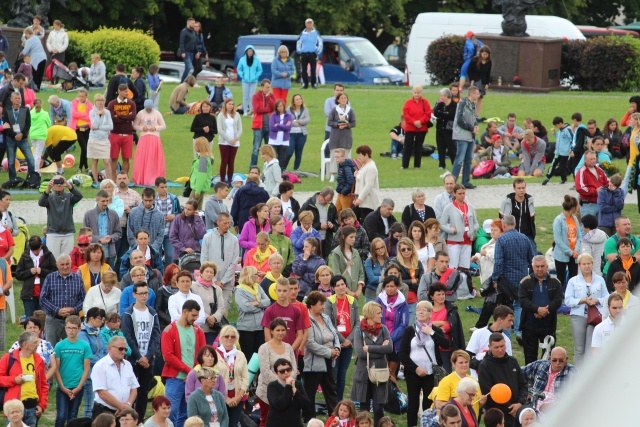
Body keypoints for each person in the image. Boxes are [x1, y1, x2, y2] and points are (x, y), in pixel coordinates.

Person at [398, 300, 448, 427]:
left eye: (424, 310)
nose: (420, 312)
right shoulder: (410, 330)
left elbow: (446, 344)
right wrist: (415, 368)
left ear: (430, 313)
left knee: (428, 403)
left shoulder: (435, 330)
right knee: (413, 404)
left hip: (431, 373)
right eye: (418, 309)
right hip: (413, 372)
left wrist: (431, 333)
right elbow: (402, 354)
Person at [162, 299, 206, 427]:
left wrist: (194, 372)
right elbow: (168, 356)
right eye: (193, 315)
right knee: (171, 412)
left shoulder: (198, 330)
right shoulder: (169, 330)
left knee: (188, 414)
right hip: (175, 378)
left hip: (192, 379)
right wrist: (189, 371)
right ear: (184, 312)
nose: (195, 319)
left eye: (197, 315)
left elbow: (203, 354)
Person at [121, 281, 161, 419]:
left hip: (148, 359)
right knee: (130, 391)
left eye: (146, 293)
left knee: (143, 391)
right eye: (141, 293)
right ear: (134, 294)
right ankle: (128, 418)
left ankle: (140, 419)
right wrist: (139, 356)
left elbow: (156, 335)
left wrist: (148, 356)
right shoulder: (128, 313)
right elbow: (127, 336)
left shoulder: (152, 312)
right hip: (133, 358)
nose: (144, 296)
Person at [492, 214, 535, 339]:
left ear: (504, 225)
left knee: (505, 307)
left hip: (506, 279)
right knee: (519, 305)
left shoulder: (501, 240)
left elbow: (498, 262)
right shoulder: (525, 238)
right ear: (515, 224)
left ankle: (506, 335)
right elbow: (531, 259)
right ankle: (518, 331)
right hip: (522, 277)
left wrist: (495, 278)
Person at [351, 301, 392, 427]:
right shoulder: (359, 331)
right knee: (364, 409)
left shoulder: (383, 329)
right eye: (378, 313)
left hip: (380, 372)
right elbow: (360, 353)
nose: (381, 315)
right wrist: (380, 349)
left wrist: (369, 348)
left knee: (379, 407)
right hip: (363, 373)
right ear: (370, 314)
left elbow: (389, 348)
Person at [565, 253, 609, 366]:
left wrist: (596, 300)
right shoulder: (573, 281)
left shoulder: (600, 280)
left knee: (591, 348)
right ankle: (578, 374)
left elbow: (607, 298)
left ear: (592, 264)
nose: (586, 266)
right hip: (578, 316)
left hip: (595, 317)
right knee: (579, 349)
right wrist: (583, 300)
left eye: (588, 263)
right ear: (579, 265)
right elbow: (568, 300)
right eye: (584, 264)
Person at [518, 255, 564, 364]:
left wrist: (546, 311)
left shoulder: (555, 282)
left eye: (542, 266)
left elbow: (558, 300)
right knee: (530, 356)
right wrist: (537, 309)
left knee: (548, 354)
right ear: (532, 267)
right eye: (537, 266)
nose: (540, 269)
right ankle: (529, 379)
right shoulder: (525, 282)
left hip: (548, 324)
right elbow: (522, 300)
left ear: (547, 266)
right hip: (529, 324)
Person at [303, 291, 341, 420]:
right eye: (321, 304)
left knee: (331, 390)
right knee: (310, 392)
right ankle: (310, 419)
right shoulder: (307, 320)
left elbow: (334, 334)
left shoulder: (326, 317)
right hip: (314, 362)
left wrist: (337, 348)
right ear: (312, 305)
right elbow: (310, 343)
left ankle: (335, 418)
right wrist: (329, 352)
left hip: (329, 360)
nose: (323, 307)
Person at [478, 333, 527, 427]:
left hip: (518, 410)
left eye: (502, 346)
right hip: (498, 415)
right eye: (496, 347)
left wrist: (519, 403)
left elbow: (523, 384)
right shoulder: (484, 366)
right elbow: (489, 393)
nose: (500, 350)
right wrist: (511, 409)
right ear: (489, 347)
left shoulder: (513, 361)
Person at [0, 332, 48, 427]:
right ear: (25, 344)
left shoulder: (39, 360)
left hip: (32, 407)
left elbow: (43, 385)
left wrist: (41, 405)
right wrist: (14, 380)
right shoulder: (9, 358)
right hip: (14, 408)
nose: (38, 345)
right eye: (34, 342)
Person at [257, 318, 298, 426]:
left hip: (287, 390)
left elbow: (294, 368)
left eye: (283, 330)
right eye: (278, 330)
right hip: (267, 391)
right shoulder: (264, 348)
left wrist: (288, 382)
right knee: (266, 421)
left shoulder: (289, 347)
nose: (281, 333)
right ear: (271, 331)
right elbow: (265, 371)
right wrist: (282, 383)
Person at [54, 315, 92, 427]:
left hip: (77, 385)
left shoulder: (85, 346)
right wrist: (62, 387)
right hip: (62, 386)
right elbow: (56, 368)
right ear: (65, 328)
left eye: (74, 328)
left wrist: (79, 386)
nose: (71, 330)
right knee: (61, 416)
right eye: (69, 328)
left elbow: (86, 368)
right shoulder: (59, 345)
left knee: (73, 415)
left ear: (79, 329)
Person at [40, 255, 85, 346]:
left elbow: (84, 299)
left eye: (67, 264)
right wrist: (57, 310)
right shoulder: (50, 278)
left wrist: (74, 309)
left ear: (71, 263)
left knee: (71, 347)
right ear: (57, 265)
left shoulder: (78, 279)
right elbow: (43, 298)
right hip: (53, 319)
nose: (65, 267)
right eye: (62, 264)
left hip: (72, 320)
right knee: (50, 348)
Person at [201, 213, 239, 312]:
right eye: (225, 223)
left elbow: (234, 262)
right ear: (218, 222)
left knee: (223, 311)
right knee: (209, 311)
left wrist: (222, 281)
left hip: (226, 283)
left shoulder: (234, 239)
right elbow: (204, 260)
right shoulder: (207, 237)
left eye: (229, 223)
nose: (227, 226)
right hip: (209, 281)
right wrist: (213, 280)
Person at [522, 347, 576, 413]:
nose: (558, 363)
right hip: (532, 408)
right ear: (550, 359)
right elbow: (518, 373)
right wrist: (526, 392)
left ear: (566, 359)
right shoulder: (540, 365)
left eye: (561, 360)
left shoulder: (572, 373)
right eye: (554, 360)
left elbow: (576, 397)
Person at [215, 325, 249, 427]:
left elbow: (245, 377)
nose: (230, 338)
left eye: (233, 336)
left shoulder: (241, 355)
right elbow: (213, 379)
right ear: (221, 337)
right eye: (227, 336)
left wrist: (238, 397)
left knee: (233, 424)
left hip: (238, 397)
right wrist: (226, 398)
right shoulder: (214, 354)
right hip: (220, 397)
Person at [235, 266, 271, 360]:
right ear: (250, 276)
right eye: (256, 274)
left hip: (260, 327)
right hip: (245, 328)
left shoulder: (258, 287)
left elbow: (268, 301)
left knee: (259, 356)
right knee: (248, 356)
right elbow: (246, 307)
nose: (258, 276)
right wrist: (261, 307)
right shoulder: (239, 290)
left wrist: (257, 303)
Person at [440, 184, 478, 269]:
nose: (462, 196)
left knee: (465, 267)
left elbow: (476, 223)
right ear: (454, 194)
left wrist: (472, 230)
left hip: (467, 240)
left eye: (463, 193)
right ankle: (453, 281)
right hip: (454, 241)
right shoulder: (449, 207)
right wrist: (451, 230)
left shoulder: (469, 206)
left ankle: (464, 281)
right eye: (459, 193)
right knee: (453, 266)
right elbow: (441, 224)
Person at [428, 282, 465, 371]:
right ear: (432, 296)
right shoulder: (427, 308)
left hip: (446, 348)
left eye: (443, 294)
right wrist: (441, 322)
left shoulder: (450, 309)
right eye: (438, 294)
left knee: (445, 372)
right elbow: (424, 325)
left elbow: (451, 326)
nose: (441, 296)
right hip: (430, 347)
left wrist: (433, 326)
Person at [15, 236, 56, 317]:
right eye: (33, 250)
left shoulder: (48, 255)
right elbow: (18, 274)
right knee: (30, 319)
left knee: (44, 319)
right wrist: (29, 272)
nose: (36, 252)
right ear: (30, 247)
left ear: (41, 245)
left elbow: (55, 272)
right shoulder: (25, 256)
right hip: (29, 294)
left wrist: (43, 271)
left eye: (37, 250)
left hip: (45, 295)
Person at [266, 358, 312, 427]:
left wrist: (295, 391)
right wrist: (287, 387)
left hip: (295, 423)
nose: (286, 373)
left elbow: (307, 405)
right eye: (282, 371)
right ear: (276, 373)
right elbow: (279, 405)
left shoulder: (298, 384)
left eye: (288, 369)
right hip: (277, 423)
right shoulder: (272, 386)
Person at [434, 350, 482, 417]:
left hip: (473, 419)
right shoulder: (446, 381)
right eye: (461, 363)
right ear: (453, 364)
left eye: (466, 362)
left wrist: (482, 402)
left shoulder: (473, 380)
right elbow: (439, 404)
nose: (464, 365)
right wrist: (459, 404)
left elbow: (476, 403)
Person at [466, 305, 514, 370]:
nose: (512, 323)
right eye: (509, 320)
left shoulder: (506, 340)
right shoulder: (478, 333)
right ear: (500, 319)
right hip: (477, 378)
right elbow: (467, 358)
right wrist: (485, 366)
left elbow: (508, 363)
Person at [3, 92, 36, 184]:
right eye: (16, 98)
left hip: (23, 139)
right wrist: (14, 135)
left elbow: (28, 124)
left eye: (19, 98)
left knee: (30, 160)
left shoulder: (25, 110)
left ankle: (31, 179)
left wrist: (22, 134)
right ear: (11, 99)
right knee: (11, 161)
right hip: (11, 139)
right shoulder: (7, 111)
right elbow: (6, 126)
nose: (17, 100)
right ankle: (13, 180)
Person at [451, 86, 480, 190]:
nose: (478, 95)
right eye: (477, 93)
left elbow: (474, 117)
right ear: (472, 94)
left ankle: (466, 181)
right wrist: (471, 128)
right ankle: (452, 182)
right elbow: (459, 120)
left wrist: (476, 125)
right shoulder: (462, 103)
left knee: (468, 159)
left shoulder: (473, 105)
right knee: (459, 159)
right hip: (462, 135)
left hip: (471, 136)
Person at [132, 99, 166, 186]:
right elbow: (135, 125)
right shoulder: (140, 114)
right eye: (147, 109)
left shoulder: (157, 113)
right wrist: (142, 128)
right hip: (144, 138)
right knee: (143, 158)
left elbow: (163, 126)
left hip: (154, 138)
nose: (148, 110)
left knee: (153, 158)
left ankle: (155, 178)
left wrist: (155, 128)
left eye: (149, 108)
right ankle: (141, 177)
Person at [553, 195, 583, 290]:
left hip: (574, 254)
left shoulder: (574, 219)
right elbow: (558, 240)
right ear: (573, 207)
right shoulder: (558, 220)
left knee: (573, 277)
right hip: (562, 254)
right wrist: (570, 252)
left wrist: (576, 250)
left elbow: (579, 235)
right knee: (560, 278)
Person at [299, 187, 339, 257]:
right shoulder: (309, 204)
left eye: (328, 201)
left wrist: (332, 226)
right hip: (312, 240)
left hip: (326, 241)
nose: (326, 203)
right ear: (320, 195)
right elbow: (300, 222)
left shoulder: (332, 206)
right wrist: (319, 226)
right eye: (325, 200)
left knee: (324, 263)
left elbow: (337, 224)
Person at [499, 178, 537, 250]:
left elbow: (532, 220)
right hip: (511, 234)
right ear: (514, 189)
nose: (521, 190)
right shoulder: (507, 202)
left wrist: (533, 234)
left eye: (523, 188)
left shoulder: (529, 201)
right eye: (519, 188)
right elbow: (502, 220)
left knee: (533, 254)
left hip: (527, 235)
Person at [328, 225, 365, 298]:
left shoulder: (356, 252)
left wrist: (359, 289)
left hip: (355, 291)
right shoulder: (336, 253)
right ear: (343, 237)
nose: (353, 239)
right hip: (342, 292)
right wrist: (348, 291)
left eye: (354, 237)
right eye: (351, 237)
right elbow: (337, 274)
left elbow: (361, 271)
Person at [401, 85, 432, 169]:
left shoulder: (425, 102)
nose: (417, 94)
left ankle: (417, 165)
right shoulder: (408, 103)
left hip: (422, 128)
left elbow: (428, 114)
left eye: (418, 93)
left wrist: (420, 121)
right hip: (410, 128)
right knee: (408, 146)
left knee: (418, 146)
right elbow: (406, 115)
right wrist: (414, 122)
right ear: (412, 93)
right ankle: (404, 165)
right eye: (415, 93)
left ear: (421, 93)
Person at [327, 92, 356, 181]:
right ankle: (332, 174)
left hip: (346, 136)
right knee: (334, 155)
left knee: (345, 155)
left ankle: (345, 174)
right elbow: (330, 122)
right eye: (342, 98)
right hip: (336, 136)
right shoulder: (334, 110)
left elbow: (353, 123)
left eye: (345, 98)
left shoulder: (350, 110)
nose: (343, 100)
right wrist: (337, 124)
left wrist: (347, 125)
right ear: (338, 100)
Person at [87, 93, 114, 185]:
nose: (100, 103)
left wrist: (100, 127)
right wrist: (98, 115)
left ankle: (110, 181)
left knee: (106, 161)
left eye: (102, 100)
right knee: (95, 160)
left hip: (104, 139)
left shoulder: (107, 112)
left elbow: (110, 126)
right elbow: (94, 125)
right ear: (95, 102)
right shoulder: (91, 112)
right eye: (98, 101)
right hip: (94, 139)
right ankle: (96, 181)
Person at [575, 151, 609, 218]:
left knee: (600, 227)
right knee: (587, 227)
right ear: (585, 160)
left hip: (600, 203)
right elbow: (580, 187)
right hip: (588, 205)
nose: (593, 161)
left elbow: (607, 183)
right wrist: (595, 191)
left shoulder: (600, 170)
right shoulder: (582, 171)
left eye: (594, 159)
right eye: (591, 159)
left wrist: (604, 190)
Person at [251, 79, 276, 167]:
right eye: (267, 87)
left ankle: (269, 166)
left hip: (269, 126)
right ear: (262, 87)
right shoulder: (256, 96)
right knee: (256, 148)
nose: (269, 89)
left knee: (269, 149)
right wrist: (269, 109)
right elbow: (257, 109)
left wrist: (268, 98)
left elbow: (274, 107)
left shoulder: (271, 96)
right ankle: (253, 167)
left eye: (270, 87)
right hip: (258, 126)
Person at [352, 145, 381, 223]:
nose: (359, 157)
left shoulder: (371, 167)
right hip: (362, 201)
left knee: (366, 222)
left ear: (366, 155)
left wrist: (359, 199)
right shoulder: (365, 165)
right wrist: (356, 175)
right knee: (352, 217)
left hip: (368, 202)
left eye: (360, 155)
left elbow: (368, 185)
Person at [215, 99, 241, 184]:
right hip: (224, 142)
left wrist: (236, 138)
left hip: (235, 141)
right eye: (229, 104)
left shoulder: (237, 115)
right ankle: (222, 179)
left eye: (232, 104)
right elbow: (220, 130)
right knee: (224, 160)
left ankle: (230, 180)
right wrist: (229, 140)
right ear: (225, 105)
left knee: (231, 161)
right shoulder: (221, 115)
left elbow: (240, 129)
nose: (231, 106)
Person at [543, 116, 573, 185]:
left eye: (556, 125)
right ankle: (548, 177)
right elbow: (559, 139)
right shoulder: (560, 130)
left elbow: (572, 139)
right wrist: (555, 134)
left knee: (562, 166)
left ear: (560, 123)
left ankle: (564, 178)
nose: (556, 127)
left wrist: (571, 149)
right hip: (558, 152)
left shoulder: (568, 130)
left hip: (565, 153)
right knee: (553, 164)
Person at [433, 89, 457, 173]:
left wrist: (442, 114)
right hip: (439, 128)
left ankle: (455, 163)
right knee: (440, 147)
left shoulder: (454, 105)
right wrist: (444, 113)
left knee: (451, 147)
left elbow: (451, 115)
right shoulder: (440, 104)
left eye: (442, 96)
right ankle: (441, 164)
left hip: (449, 130)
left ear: (447, 96)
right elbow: (435, 112)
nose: (441, 97)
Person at [285, 94, 310, 171]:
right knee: (289, 152)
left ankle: (296, 169)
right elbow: (288, 121)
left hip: (302, 134)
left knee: (299, 152)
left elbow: (307, 120)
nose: (299, 101)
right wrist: (298, 123)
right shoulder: (288, 110)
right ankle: (283, 167)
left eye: (300, 99)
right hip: (291, 134)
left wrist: (297, 121)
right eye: (297, 99)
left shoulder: (305, 110)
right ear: (293, 102)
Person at [297, 18, 323, 89]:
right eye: (308, 23)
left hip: (313, 53)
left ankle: (314, 84)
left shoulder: (316, 32)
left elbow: (320, 42)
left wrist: (318, 51)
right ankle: (305, 84)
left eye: (310, 23)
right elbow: (299, 42)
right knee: (303, 70)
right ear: (305, 24)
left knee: (313, 69)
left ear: (313, 24)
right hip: (304, 53)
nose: (309, 24)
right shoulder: (302, 33)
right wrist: (299, 51)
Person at [237, 45, 262, 117]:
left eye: (251, 51)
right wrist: (242, 75)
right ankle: (245, 111)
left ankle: (251, 111)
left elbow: (260, 70)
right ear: (246, 52)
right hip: (245, 81)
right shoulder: (242, 59)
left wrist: (256, 76)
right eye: (248, 51)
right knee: (245, 96)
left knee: (252, 96)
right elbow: (239, 69)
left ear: (253, 52)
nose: (250, 52)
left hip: (254, 81)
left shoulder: (256, 60)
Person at [467, 46, 491, 115]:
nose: (485, 56)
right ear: (480, 53)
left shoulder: (489, 62)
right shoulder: (475, 60)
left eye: (486, 54)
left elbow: (488, 73)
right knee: (472, 97)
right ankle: (469, 113)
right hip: (475, 80)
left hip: (483, 81)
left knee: (480, 98)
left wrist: (487, 83)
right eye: (483, 54)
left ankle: (477, 114)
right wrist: (471, 79)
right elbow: (469, 70)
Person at [178, 19, 197, 83]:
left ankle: (185, 82)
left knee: (189, 68)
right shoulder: (184, 31)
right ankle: (182, 82)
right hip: (186, 52)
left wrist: (197, 52)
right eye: (193, 23)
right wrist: (183, 52)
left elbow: (194, 43)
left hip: (192, 52)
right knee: (188, 67)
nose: (194, 25)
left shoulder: (193, 32)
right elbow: (181, 42)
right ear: (188, 23)